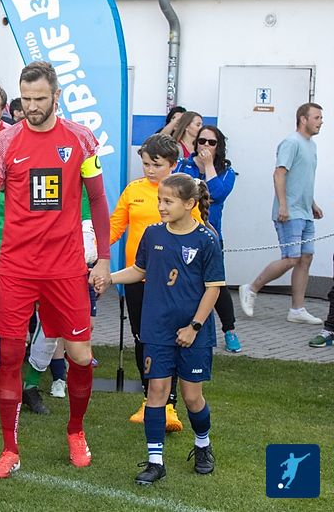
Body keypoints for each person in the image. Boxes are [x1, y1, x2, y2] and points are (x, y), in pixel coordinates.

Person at [0, 61, 112, 477]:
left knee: (80, 355)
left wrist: (103, 257)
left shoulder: (80, 139)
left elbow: (98, 199)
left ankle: (76, 431)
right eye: (25, 99)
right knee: (10, 355)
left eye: (39, 99)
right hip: (16, 267)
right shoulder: (4, 142)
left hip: (65, 268)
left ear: (56, 96)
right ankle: (9, 449)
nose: (31, 106)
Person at [110, 173, 223, 485]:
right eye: (159, 200)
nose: (160, 206)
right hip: (157, 329)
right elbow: (139, 270)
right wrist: (109, 278)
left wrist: (194, 327)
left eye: (168, 201)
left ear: (189, 204)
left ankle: (203, 445)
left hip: (193, 332)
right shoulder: (152, 234)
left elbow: (213, 288)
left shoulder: (206, 239)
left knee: (191, 397)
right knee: (156, 392)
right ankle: (155, 461)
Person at [111, 134, 200, 431]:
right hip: (137, 278)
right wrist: (92, 252)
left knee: (169, 340)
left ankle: (170, 404)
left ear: (173, 164)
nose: (150, 170)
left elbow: (195, 233)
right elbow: (114, 226)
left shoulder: (183, 192)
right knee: (143, 338)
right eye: (146, 164)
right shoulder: (133, 190)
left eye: (156, 164)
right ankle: (149, 399)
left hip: (172, 283)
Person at [240, 103, 324, 324]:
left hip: (304, 212)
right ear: (303, 119)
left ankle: (297, 309)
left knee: (305, 258)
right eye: (316, 117)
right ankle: (251, 288)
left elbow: (302, 178)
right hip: (290, 213)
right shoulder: (291, 142)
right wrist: (283, 206)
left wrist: (312, 203)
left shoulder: (311, 145)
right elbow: (279, 174)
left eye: (320, 118)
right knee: (290, 259)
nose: (320, 121)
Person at [175, 125, 241, 352]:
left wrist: (210, 166)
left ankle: (229, 330)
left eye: (211, 142)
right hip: (182, 233)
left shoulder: (226, 171)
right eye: (202, 141)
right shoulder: (184, 166)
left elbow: (217, 194)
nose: (205, 145)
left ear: (218, 146)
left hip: (211, 236)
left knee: (216, 284)